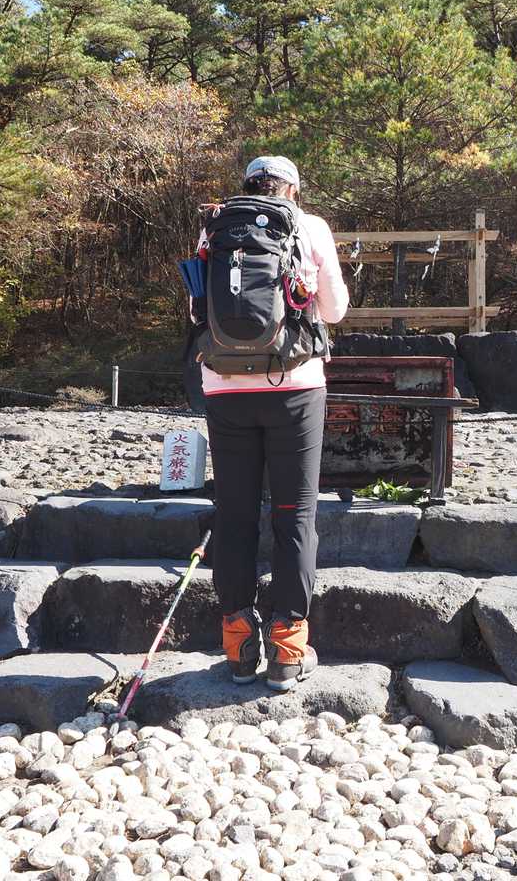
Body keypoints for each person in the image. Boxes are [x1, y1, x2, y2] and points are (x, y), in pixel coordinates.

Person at [198, 155, 348, 691]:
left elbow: (197, 307)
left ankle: (239, 648)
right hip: (296, 385)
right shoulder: (310, 227)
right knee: (295, 515)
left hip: (223, 386)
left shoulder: (214, 225)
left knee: (234, 514)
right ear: (293, 191)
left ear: (246, 187)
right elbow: (335, 310)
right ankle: (288, 649)